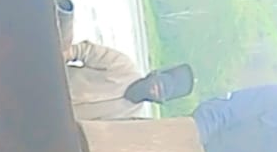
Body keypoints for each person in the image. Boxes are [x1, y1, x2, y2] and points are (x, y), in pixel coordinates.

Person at [65, 36, 194, 123]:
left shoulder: (130, 118)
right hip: (57, 84)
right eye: (158, 83)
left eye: (160, 92)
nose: (155, 89)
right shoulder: (122, 64)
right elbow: (83, 51)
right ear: (154, 74)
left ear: (160, 101)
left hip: (62, 123)